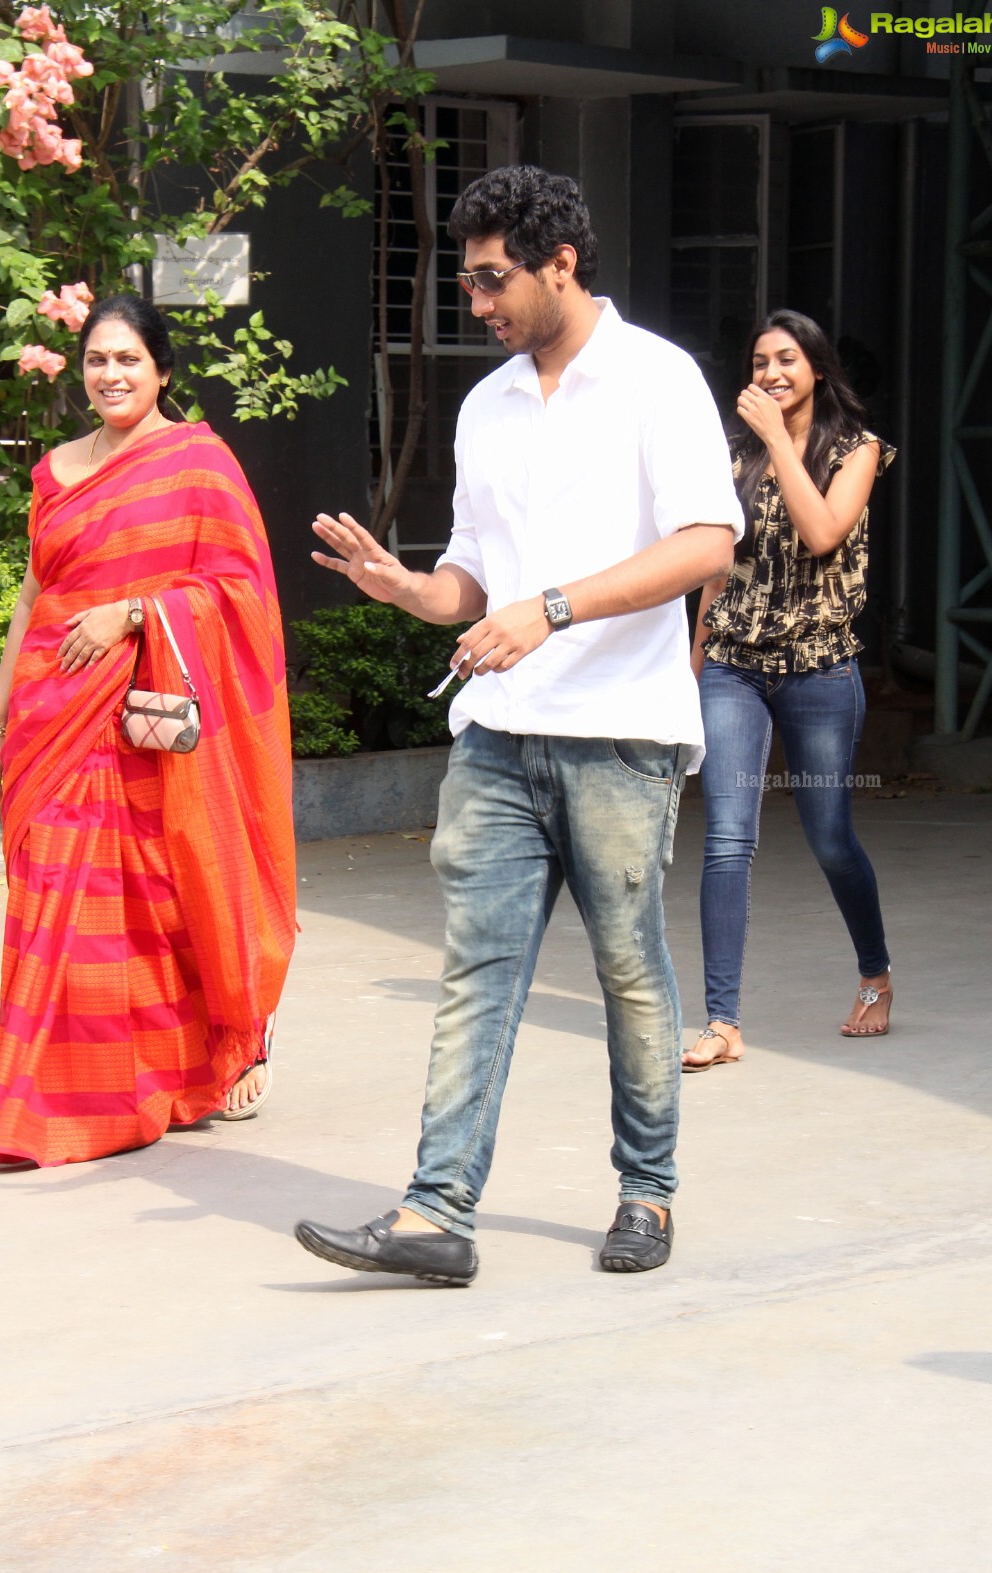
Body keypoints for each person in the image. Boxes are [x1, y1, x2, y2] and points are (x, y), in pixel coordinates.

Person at [294, 165, 742, 1286]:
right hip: (498, 735)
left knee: (629, 971)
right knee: (477, 970)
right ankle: (437, 1212)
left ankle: (648, 1192)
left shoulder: (657, 380)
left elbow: (706, 544)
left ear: (562, 265)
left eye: (494, 281)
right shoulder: (486, 407)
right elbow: (473, 580)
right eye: (469, 283)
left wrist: (552, 610)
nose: (480, 305)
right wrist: (410, 589)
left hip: (621, 735)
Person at [0, 295, 295, 1167]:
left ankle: (198, 1059)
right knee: (51, 897)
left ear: (160, 370)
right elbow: (34, 596)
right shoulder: (53, 472)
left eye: (128, 360)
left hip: (141, 718)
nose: (110, 374)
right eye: (96, 360)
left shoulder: (198, 463)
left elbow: (239, 595)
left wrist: (136, 612)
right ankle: (47, 1093)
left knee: (155, 895)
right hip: (51, 712)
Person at [683, 309, 895, 1072]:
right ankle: (721, 1020)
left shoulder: (858, 450)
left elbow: (822, 533)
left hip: (819, 669)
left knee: (830, 837)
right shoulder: (732, 453)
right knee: (728, 839)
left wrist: (778, 440)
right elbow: (716, 563)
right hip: (735, 665)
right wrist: (695, 662)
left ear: (816, 368)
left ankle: (876, 974)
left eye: (786, 359)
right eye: (759, 361)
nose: (770, 372)